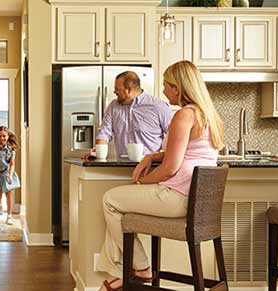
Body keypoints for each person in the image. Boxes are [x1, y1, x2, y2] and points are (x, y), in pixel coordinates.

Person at [96, 60, 225, 291]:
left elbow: (171, 168)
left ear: (178, 87)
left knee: (109, 200)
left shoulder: (184, 115)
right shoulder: (207, 114)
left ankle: (139, 267)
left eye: (166, 85)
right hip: (195, 201)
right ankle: (127, 273)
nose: (163, 90)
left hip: (176, 197)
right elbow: (185, 151)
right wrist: (153, 156)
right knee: (118, 204)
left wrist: (140, 182)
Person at [84, 71, 172, 160]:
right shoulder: (113, 106)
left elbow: (174, 136)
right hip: (122, 166)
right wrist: (98, 152)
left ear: (129, 90)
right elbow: (104, 133)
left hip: (151, 166)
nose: (115, 92)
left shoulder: (159, 107)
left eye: (117, 89)